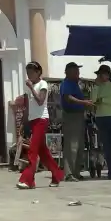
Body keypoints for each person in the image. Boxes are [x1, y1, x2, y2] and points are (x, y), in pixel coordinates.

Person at [17, 61, 64, 189]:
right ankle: (57, 174)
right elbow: (28, 106)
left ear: (38, 72)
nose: (29, 74)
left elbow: (40, 101)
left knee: (32, 150)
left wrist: (32, 87)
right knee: (43, 152)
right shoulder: (29, 87)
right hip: (33, 120)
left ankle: (28, 180)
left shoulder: (43, 84)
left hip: (41, 119)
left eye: (31, 72)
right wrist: (23, 122)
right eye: (28, 72)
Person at [59, 62, 93, 181]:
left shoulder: (75, 84)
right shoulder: (66, 83)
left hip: (78, 116)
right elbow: (68, 97)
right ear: (68, 72)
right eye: (75, 71)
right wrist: (84, 103)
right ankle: (69, 174)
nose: (78, 74)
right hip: (71, 116)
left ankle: (76, 172)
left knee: (79, 145)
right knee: (71, 145)